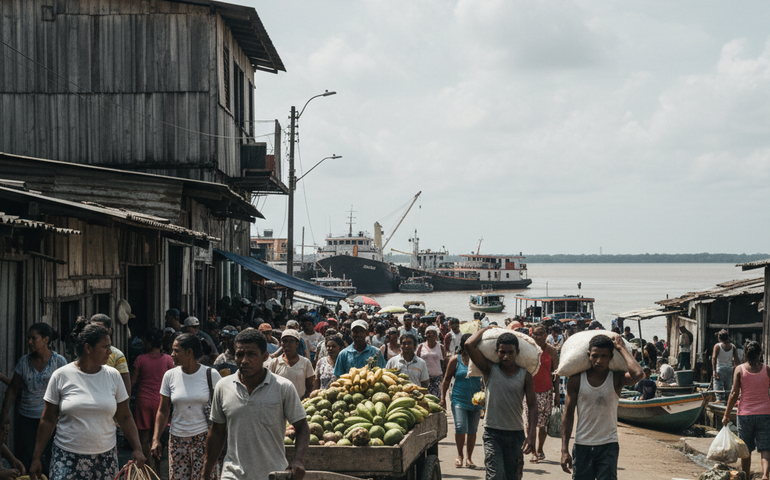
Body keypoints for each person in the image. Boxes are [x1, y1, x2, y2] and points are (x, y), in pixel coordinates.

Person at [30, 324, 145, 480]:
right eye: (105, 347)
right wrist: (36, 458)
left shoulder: (113, 376)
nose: (110, 352)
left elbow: (125, 416)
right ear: (88, 348)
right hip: (67, 458)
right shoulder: (61, 375)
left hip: (104, 459)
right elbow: (48, 419)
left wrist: (137, 448)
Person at [202, 329, 310, 480]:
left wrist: (298, 460)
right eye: (240, 355)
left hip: (272, 474)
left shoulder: (283, 387)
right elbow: (217, 432)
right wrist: (206, 472)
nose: (244, 360)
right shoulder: (223, 386)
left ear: (265, 356)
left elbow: (302, 428)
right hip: (233, 474)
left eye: (251, 354)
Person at [560, 334, 643, 480]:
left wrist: (621, 348)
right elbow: (568, 414)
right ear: (588, 356)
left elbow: (638, 374)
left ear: (611, 357)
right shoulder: (576, 380)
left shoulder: (616, 378)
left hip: (608, 445)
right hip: (582, 444)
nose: (599, 361)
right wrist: (564, 449)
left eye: (604, 356)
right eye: (595, 356)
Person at [465, 327, 536, 480]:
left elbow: (532, 406)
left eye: (510, 352)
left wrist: (531, 435)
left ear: (517, 352)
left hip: (516, 434)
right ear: (496, 352)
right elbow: (468, 345)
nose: (506, 356)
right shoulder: (490, 369)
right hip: (492, 433)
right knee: (495, 476)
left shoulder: (525, 376)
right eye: (502, 352)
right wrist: (486, 329)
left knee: (513, 477)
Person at [152, 333, 222, 480]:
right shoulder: (170, 376)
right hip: (177, 439)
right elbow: (163, 410)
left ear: (189, 352)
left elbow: (222, 409)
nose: (172, 354)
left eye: (176, 350)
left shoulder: (211, 375)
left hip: (204, 439)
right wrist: (156, 439)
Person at [1, 323, 67, 475]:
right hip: (27, 418)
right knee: (29, 458)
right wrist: (4, 413)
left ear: (46, 340)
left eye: (34, 338)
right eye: (28, 338)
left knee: (53, 457)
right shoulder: (24, 362)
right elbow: (12, 390)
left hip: (52, 419)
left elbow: (68, 390)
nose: (29, 341)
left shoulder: (59, 362)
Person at [723, 340, 770, 480]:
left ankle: (746, 477)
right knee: (765, 447)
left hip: (745, 415)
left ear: (745, 354)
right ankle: (766, 475)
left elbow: (733, 394)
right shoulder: (767, 369)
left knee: (746, 449)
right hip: (765, 413)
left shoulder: (740, 369)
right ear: (759, 354)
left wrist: (726, 415)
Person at [130, 328, 174, 473]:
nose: (142, 343)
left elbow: (132, 383)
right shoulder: (168, 359)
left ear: (149, 342)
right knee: (159, 438)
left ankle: (150, 470)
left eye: (144, 341)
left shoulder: (140, 360)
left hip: (143, 402)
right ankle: (159, 471)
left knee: (144, 439)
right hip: (162, 403)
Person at [440, 333, 483, 469]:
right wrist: (443, 398)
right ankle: (460, 455)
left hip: (476, 400)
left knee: (472, 430)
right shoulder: (455, 360)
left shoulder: (480, 360)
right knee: (460, 427)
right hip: (458, 398)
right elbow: (446, 380)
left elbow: (487, 379)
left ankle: (469, 458)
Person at [526, 325, 560, 464]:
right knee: (530, 422)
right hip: (530, 391)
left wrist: (557, 393)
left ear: (546, 335)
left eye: (540, 334)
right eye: (535, 334)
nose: (537, 337)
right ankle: (533, 450)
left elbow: (556, 373)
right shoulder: (529, 349)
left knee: (543, 424)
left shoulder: (551, 351)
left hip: (546, 391)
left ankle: (540, 448)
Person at [89, 314, 131, 396]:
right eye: (92, 329)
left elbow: (125, 385)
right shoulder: (86, 351)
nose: (96, 332)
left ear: (109, 330)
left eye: (100, 329)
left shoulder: (117, 355)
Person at [268, 329, 315, 399]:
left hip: (300, 404)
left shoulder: (305, 363)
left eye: (291, 341)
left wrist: (304, 399)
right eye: (284, 341)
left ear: (297, 344)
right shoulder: (274, 363)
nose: (287, 344)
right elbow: (269, 385)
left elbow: (310, 385)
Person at [712, 329, 740, 403]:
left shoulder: (717, 346)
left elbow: (714, 358)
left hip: (720, 369)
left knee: (718, 387)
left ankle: (720, 400)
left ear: (719, 338)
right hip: (729, 369)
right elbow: (737, 359)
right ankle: (729, 401)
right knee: (729, 387)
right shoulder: (733, 346)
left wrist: (714, 370)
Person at [416, 326, 445, 397]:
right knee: (424, 398)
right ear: (425, 335)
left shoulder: (441, 347)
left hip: (437, 378)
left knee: (437, 399)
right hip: (424, 378)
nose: (430, 334)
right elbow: (416, 360)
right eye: (428, 333)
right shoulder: (421, 346)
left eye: (433, 333)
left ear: (437, 336)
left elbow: (444, 362)